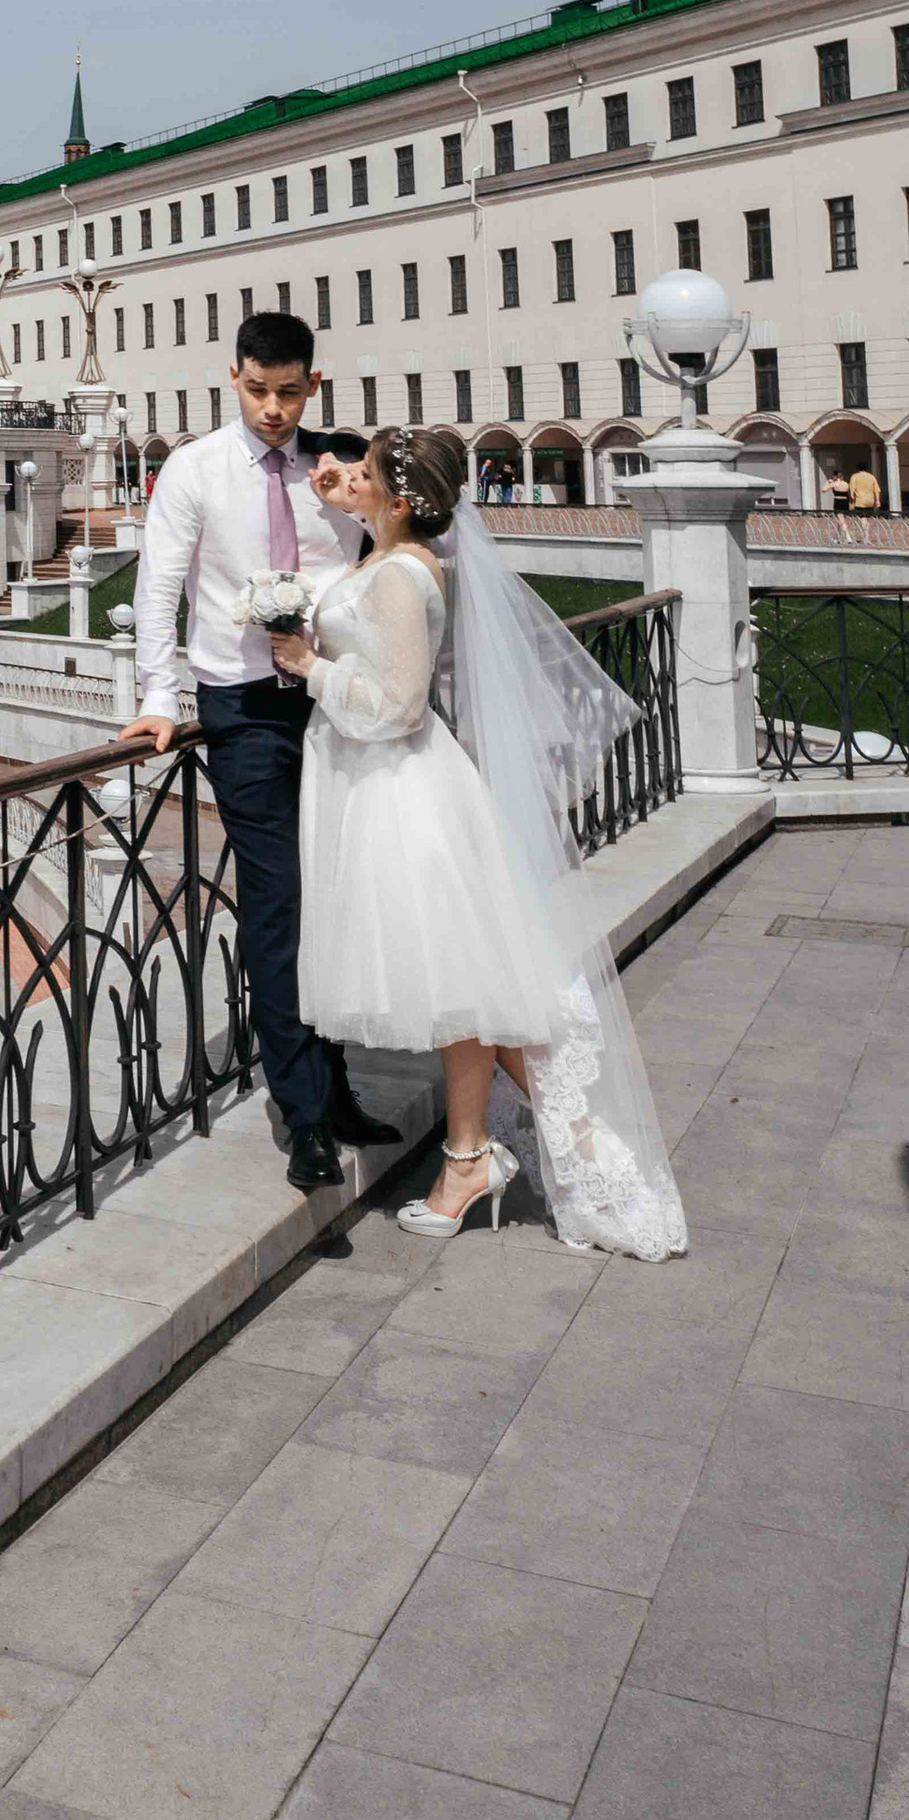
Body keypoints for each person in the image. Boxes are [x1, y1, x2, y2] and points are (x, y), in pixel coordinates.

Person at [274, 422, 686, 1256]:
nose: (343, 475)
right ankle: (480, 1156)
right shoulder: (389, 559)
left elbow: (396, 707)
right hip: (379, 789)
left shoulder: (399, 574)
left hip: (400, 795)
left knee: (468, 987)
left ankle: (547, 1158)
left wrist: (306, 665)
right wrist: (333, 510)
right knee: (466, 989)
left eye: (362, 471)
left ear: (396, 498)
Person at [123, 314, 392, 1189]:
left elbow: (400, 550)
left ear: (312, 383)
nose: (272, 410)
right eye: (256, 390)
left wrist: (355, 493)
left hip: (336, 701)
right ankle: (305, 1115)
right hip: (240, 709)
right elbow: (159, 584)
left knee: (343, 895)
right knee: (277, 903)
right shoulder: (195, 469)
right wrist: (161, 700)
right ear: (230, 378)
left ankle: (337, 1083)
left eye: (287, 392)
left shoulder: (340, 465)